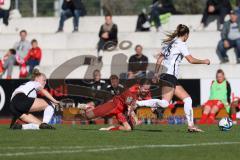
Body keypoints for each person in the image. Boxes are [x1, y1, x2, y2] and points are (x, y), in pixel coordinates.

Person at [154, 24, 210, 132]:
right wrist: (204, 61)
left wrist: (156, 73)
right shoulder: (181, 44)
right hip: (169, 76)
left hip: (167, 76)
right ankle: (140, 103)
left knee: (188, 99)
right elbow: (191, 60)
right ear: (186, 35)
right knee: (165, 103)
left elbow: (160, 58)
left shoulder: (171, 43)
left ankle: (190, 126)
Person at [79, 79, 153, 131]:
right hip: (114, 106)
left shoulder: (146, 91)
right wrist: (136, 120)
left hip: (122, 110)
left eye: (148, 89)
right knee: (88, 116)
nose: (146, 91)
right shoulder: (130, 93)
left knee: (129, 128)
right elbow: (129, 107)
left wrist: (153, 107)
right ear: (140, 87)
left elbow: (150, 101)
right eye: (145, 89)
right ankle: (86, 107)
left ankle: (108, 129)